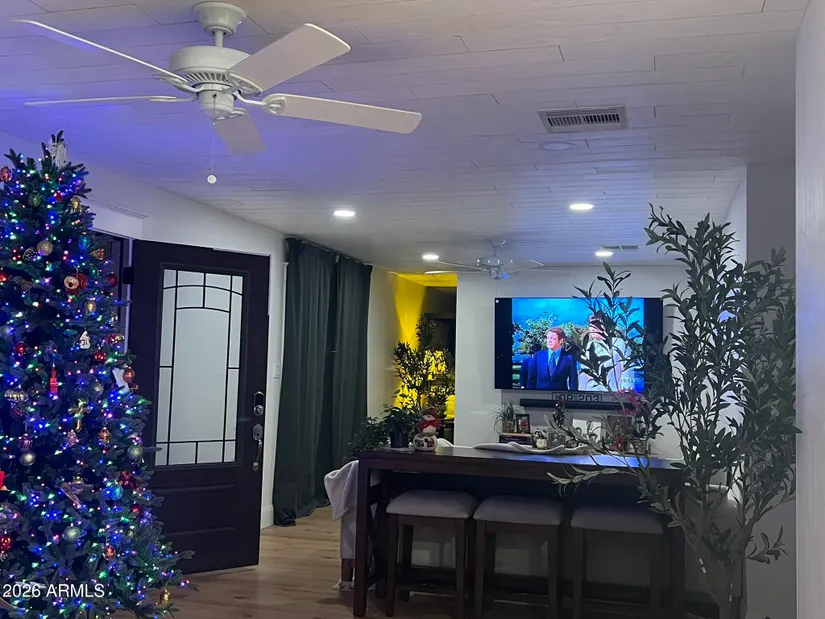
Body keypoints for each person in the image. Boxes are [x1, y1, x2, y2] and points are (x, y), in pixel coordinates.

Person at [578, 312, 631, 391]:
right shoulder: (587, 347)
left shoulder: (619, 344)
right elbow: (584, 374)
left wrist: (627, 391)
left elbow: (628, 370)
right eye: (591, 325)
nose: (592, 328)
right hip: (592, 393)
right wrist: (581, 393)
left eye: (596, 325)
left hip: (615, 393)